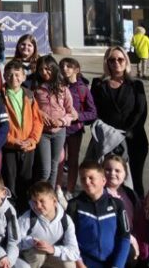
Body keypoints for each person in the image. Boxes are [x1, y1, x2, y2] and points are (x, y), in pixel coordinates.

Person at [91, 47, 148, 197]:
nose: (116, 63)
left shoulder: (136, 85)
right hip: (108, 139)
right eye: (112, 60)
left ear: (126, 61)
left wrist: (126, 132)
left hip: (133, 139)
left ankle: (136, 213)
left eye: (120, 59)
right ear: (107, 62)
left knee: (134, 181)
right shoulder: (98, 84)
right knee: (109, 180)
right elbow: (94, 110)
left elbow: (141, 112)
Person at [66, 162, 130, 268]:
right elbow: (69, 238)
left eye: (91, 178)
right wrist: (79, 263)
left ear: (103, 180)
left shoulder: (116, 204)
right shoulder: (74, 205)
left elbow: (124, 237)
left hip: (112, 262)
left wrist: (117, 266)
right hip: (85, 262)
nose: (87, 182)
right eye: (83, 178)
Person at [1, 59, 42, 210]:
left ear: (24, 77)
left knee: (26, 180)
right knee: (10, 180)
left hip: (28, 146)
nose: (14, 78)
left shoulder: (29, 95)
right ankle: (11, 211)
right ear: (5, 76)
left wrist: (32, 140)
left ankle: (25, 211)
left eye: (18, 75)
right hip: (10, 147)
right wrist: (11, 140)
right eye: (10, 75)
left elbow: (38, 120)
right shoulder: (0, 96)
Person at [33, 56, 75, 190]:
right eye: (41, 70)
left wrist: (61, 121)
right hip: (43, 133)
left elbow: (71, 113)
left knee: (54, 165)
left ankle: (50, 194)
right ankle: (39, 193)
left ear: (54, 68)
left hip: (59, 132)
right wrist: (41, 114)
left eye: (47, 69)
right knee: (45, 169)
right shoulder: (36, 88)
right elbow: (32, 108)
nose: (44, 72)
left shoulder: (63, 89)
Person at [16, 181, 79, 268]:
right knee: (39, 255)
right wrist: (31, 241)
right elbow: (15, 240)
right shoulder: (28, 217)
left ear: (54, 201)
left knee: (69, 264)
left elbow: (74, 252)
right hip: (30, 255)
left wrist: (53, 249)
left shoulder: (66, 221)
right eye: (34, 202)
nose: (38, 206)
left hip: (52, 254)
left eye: (42, 201)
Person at [59, 58, 96, 197]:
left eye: (69, 66)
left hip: (75, 130)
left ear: (77, 69)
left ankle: (70, 189)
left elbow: (92, 113)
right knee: (59, 160)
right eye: (62, 66)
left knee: (73, 160)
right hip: (58, 129)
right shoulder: (58, 85)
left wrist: (78, 116)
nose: (65, 68)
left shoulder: (83, 88)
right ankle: (57, 188)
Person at [101, 155, 145, 267]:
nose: (112, 173)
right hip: (112, 239)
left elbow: (139, 219)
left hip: (132, 237)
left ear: (125, 174)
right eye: (108, 170)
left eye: (117, 171)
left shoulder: (130, 194)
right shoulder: (100, 194)